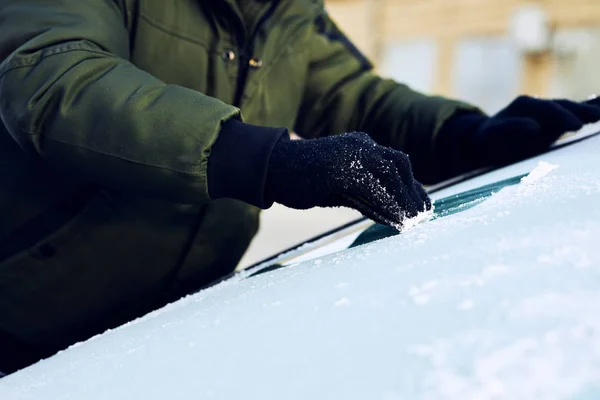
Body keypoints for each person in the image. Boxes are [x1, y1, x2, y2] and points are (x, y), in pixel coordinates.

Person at [1, 0, 599, 374]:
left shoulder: (287, 9)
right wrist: (267, 160)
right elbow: (54, 79)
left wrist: (467, 133)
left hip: (169, 326)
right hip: (29, 314)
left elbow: (352, 97)